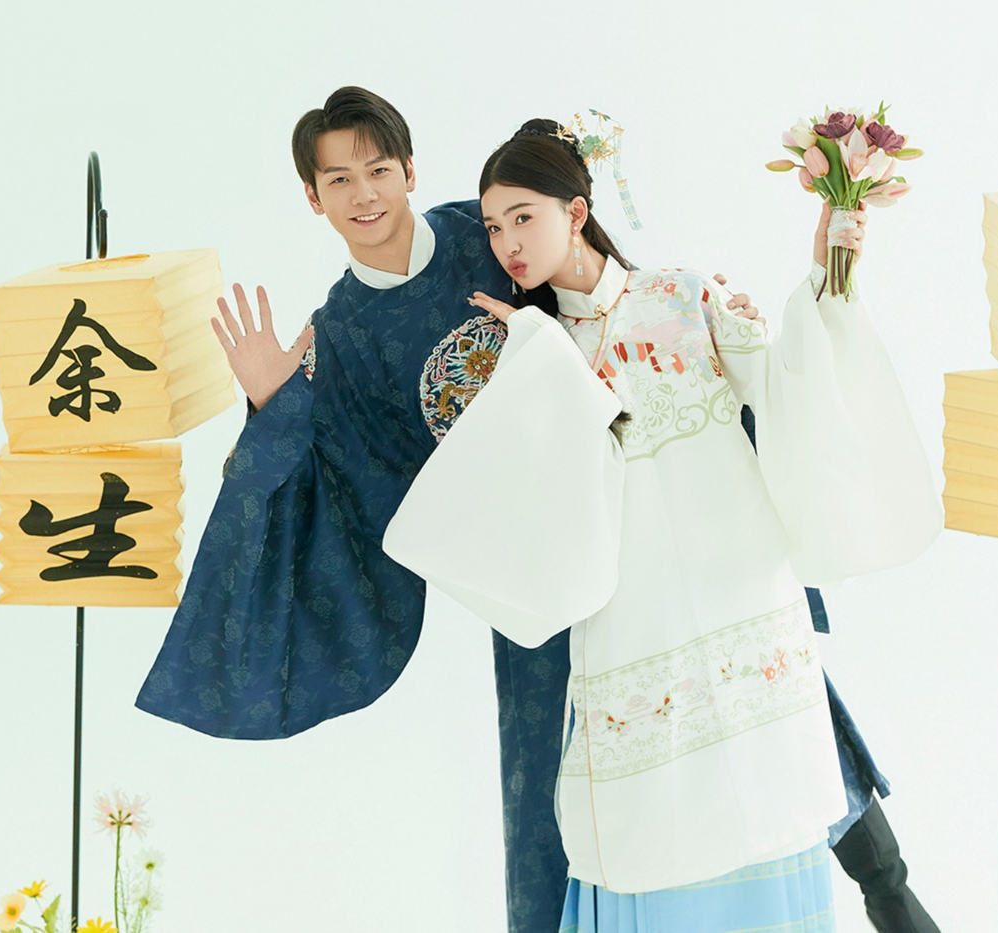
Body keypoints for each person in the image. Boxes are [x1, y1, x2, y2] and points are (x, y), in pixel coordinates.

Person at [135, 88, 763, 933]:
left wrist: (690, 319)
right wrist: (274, 405)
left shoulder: (484, 228)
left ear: (409, 170)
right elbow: (336, 486)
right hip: (529, 567)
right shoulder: (340, 333)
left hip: (632, 502)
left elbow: (602, 296)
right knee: (549, 771)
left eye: (378, 170)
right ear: (313, 197)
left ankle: (876, 878)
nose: (364, 194)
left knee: (740, 681)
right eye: (340, 179)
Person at [383, 120, 942, 931]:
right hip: (632, 617)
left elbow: (782, 389)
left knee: (769, 799)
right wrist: (536, 354)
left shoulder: (683, 296)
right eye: (495, 226)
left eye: (523, 217)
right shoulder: (530, 344)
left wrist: (827, 276)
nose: (507, 242)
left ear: (576, 212)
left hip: (739, 586)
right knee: (654, 832)